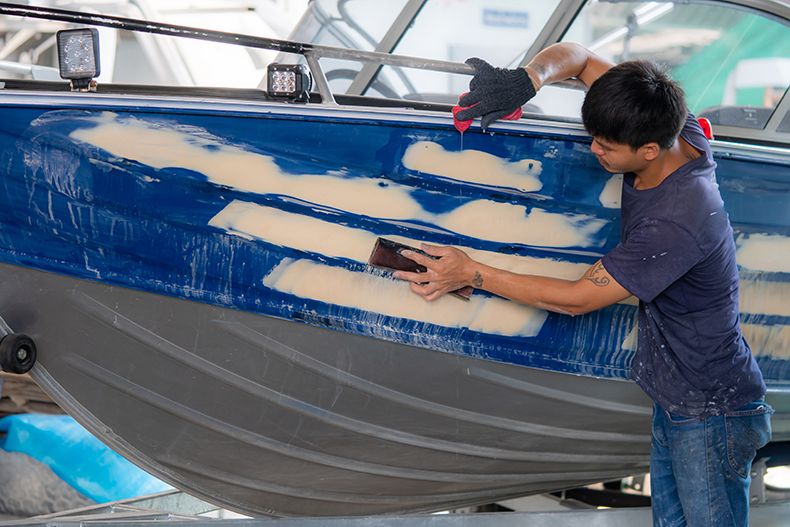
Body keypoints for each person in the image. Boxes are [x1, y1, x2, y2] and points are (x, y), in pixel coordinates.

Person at [393, 42, 773, 527]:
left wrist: (473, 273)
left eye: (605, 146)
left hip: (711, 412)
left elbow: (578, 299)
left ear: (649, 150)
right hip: (681, 399)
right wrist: (529, 80)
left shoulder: (677, 220)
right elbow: (580, 57)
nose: (593, 149)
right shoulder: (673, 123)